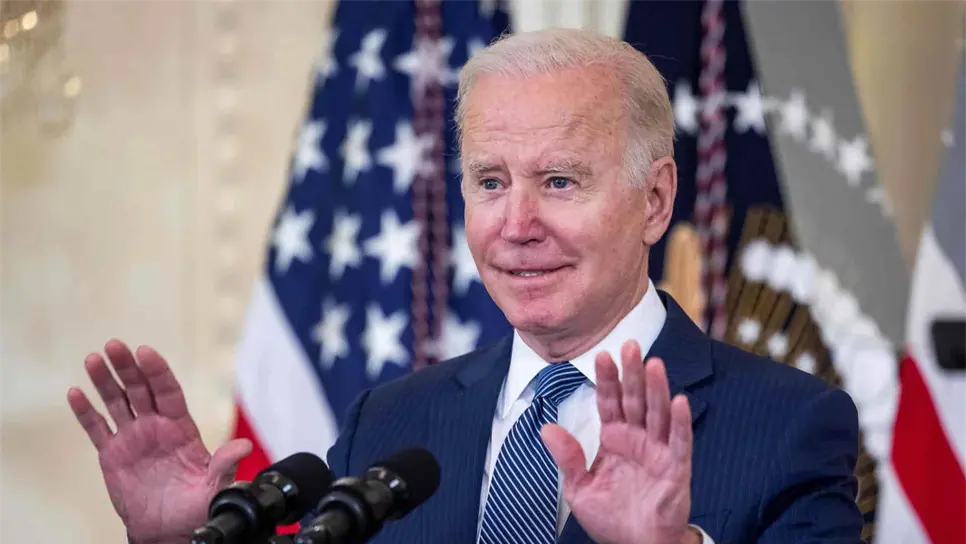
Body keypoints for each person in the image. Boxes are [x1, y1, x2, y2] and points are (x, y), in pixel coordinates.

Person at [67, 28, 864, 544]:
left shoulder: (791, 425)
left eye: (558, 181)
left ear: (654, 200)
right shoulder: (391, 421)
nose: (516, 224)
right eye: (489, 182)